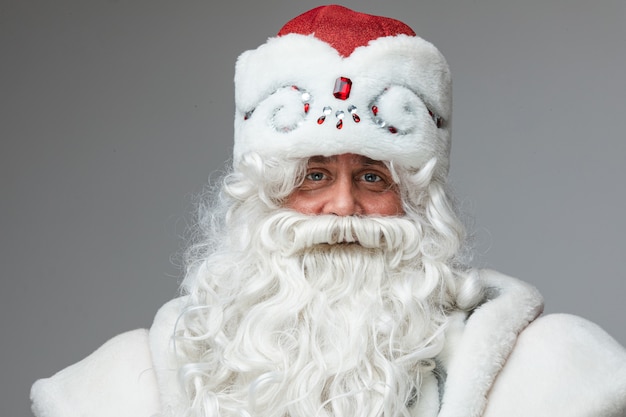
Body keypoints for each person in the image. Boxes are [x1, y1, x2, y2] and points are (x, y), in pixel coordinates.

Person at [30, 5, 626, 417]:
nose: (342, 207)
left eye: (372, 177)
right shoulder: (122, 390)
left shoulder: (550, 378)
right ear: (263, 193)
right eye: (314, 175)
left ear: (419, 202)